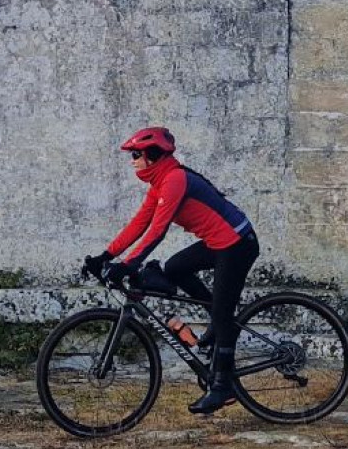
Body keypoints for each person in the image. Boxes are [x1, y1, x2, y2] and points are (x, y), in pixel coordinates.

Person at [80, 126, 259, 415]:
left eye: (136, 154)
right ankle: (216, 317)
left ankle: (223, 387)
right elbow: (139, 225)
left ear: (152, 155)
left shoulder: (174, 180)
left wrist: (127, 265)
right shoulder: (160, 183)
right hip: (219, 241)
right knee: (174, 268)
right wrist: (106, 255)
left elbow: (157, 232)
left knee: (223, 316)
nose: (132, 160)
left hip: (237, 243)